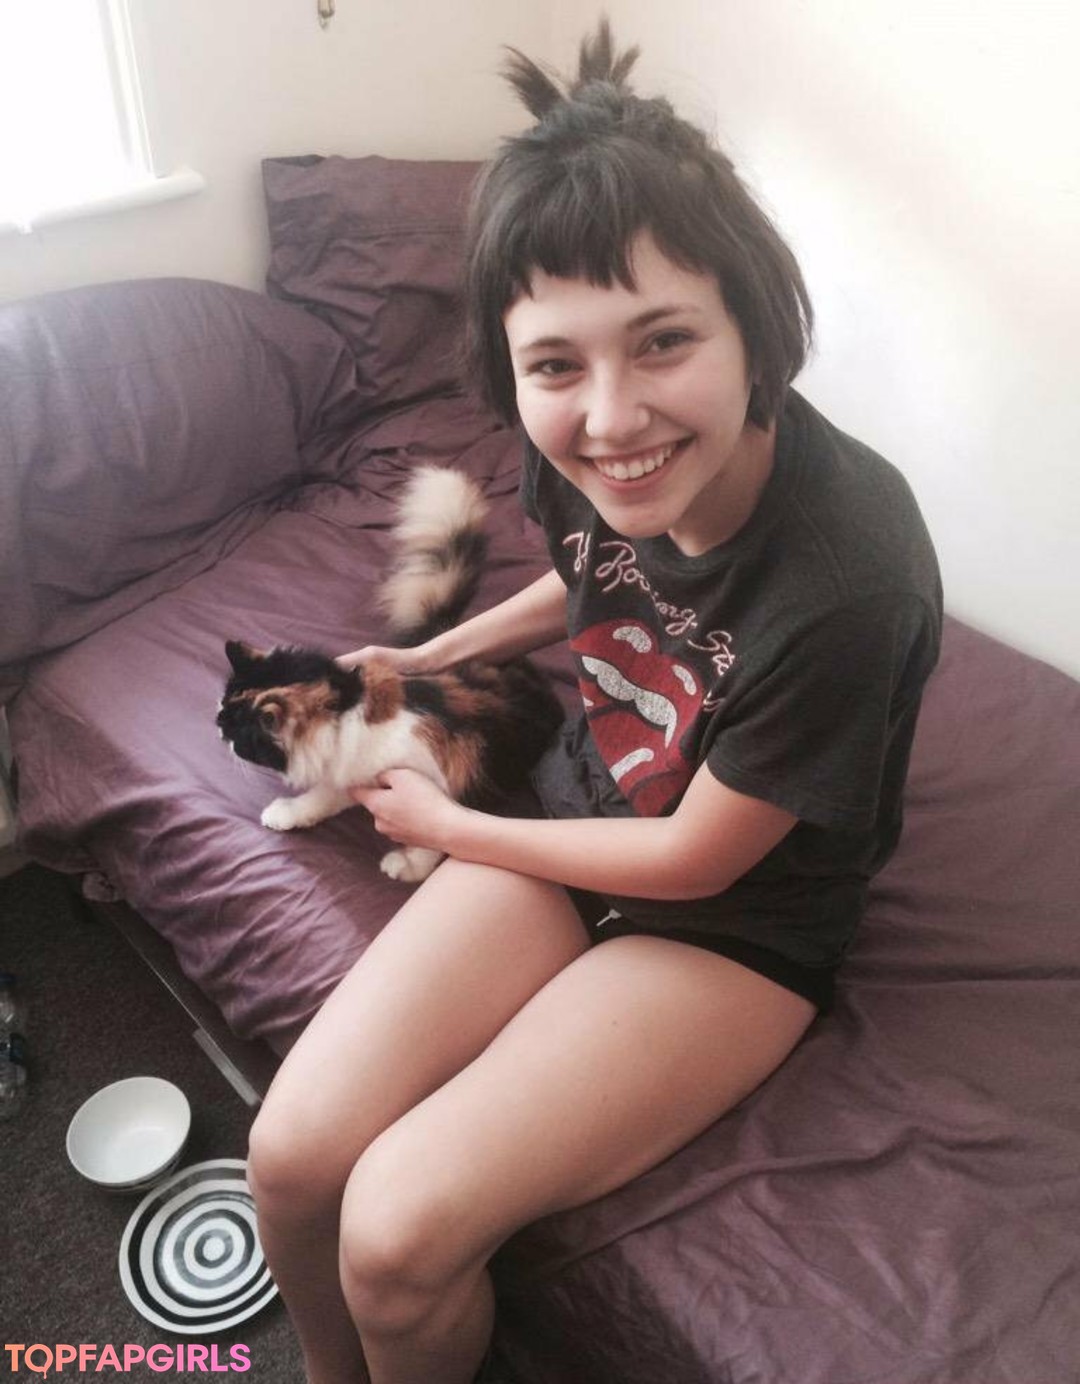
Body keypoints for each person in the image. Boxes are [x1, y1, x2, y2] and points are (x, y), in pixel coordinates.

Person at [246, 21, 942, 1384]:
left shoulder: (850, 577)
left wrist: (448, 827)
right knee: (291, 1155)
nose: (612, 419)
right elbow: (590, 579)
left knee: (395, 1233)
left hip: (734, 925)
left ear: (756, 331)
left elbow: (698, 860)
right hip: (581, 816)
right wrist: (430, 659)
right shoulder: (571, 449)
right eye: (556, 364)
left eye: (664, 341)